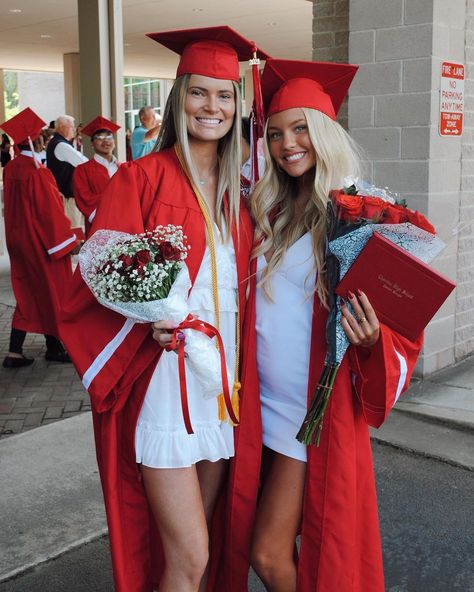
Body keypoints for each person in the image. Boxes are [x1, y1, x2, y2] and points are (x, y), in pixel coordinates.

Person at [59, 26, 269, 592]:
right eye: (200, 93)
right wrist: (147, 321)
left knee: (197, 551)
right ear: (179, 100)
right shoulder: (141, 178)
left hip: (220, 387)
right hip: (166, 383)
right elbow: (98, 278)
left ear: (237, 106)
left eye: (225, 95)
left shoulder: (243, 193)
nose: (213, 107)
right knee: (191, 554)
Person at [224, 59, 425, 592]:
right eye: (274, 133)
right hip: (258, 404)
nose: (287, 143)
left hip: (308, 412)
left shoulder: (362, 213)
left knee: (268, 553)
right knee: (255, 534)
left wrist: (373, 338)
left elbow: (401, 321)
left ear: (326, 133)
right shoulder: (269, 208)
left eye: (300, 128)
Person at [0, 108, 81, 368]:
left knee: (28, 293)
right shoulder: (37, 172)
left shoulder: (12, 168)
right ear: (38, 141)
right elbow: (48, 213)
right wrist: (67, 241)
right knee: (53, 292)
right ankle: (55, 348)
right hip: (41, 241)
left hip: (18, 238)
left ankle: (15, 352)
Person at [73, 116, 121, 237]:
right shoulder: (82, 170)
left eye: (109, 137)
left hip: (124, 225)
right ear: (92, 144)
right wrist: (114, 200)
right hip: (99, 227)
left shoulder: (124, 168)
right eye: (99, 138)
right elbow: (84, 199)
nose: (105, 141)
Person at [46, 114, 88, 228]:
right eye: (71, 126)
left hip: (68, 195)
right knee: (75, 232)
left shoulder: (60, 143)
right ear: (62, 127)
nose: (74, 129)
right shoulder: (60, 145)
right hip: (68, 198)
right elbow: (83, 162)